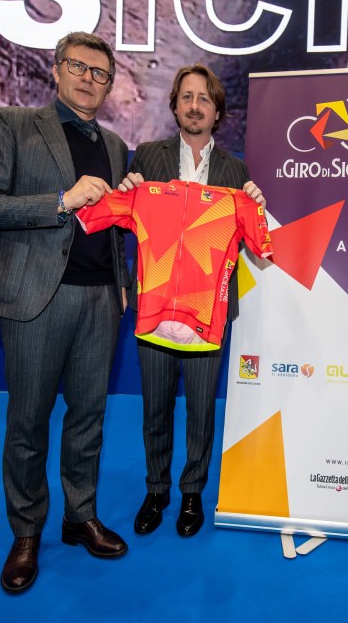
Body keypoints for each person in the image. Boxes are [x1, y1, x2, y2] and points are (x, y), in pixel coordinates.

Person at [0, 32, 131, 594]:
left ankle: (80, 516)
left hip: (100, 300)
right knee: (28, 422)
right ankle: (27, 531)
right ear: (56, 69)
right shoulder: (11, 124)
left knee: (89, 418)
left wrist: (123, 275)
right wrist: (61, 200)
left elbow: (115, 226)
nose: (88, 79)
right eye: (78, 67)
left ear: (109, 85)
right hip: (37, 297)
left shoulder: (116, 146)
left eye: (100, 73)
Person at [118, 64, 265, 538]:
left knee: (201, 409)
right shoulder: (148, 156)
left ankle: (191, 492)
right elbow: (125, 224)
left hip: (208, 313)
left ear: (217, 111)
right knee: (155, 407)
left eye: (204, 98)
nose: (195, 106)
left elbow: (246, 244)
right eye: (187, 97)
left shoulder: (235, 171)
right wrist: (127, 192)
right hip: (155, 308)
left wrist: (257, 207)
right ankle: (156, 489)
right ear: (175, 105)